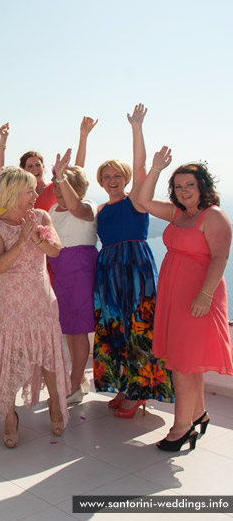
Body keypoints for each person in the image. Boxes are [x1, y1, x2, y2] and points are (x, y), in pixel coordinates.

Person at [137, 148, 233, 451]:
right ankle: (199, 414)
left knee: (183, 364)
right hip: (174, 297)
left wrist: (204, 295)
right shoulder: (179, 214)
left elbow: (220, 257)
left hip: (198, 298)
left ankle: (181, 428)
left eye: (190, 184)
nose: (184, 190)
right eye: (178, 186)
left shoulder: (213, 216)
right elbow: (142, 201)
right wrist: (155, 168)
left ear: (202, 185)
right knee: (187, 361)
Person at [92, 105, 174, 417]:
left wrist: (136, 128)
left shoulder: (136, 202)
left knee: (139, 327)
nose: (112, 180)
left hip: (135, 268)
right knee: (115, 329)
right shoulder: (101, 210)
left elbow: (141, 166)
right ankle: (124, 386)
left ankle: (140, 391)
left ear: (125, 179)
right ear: (100, 181)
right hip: (109, 271)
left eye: (117, 175)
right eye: (106, 176)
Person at [0, 167, 70, 448]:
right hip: (13, 303)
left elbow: (56, 251)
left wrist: (36, 238)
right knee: (10, 360)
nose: (36, 194)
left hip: (42, 299)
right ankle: (9, 415)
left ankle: (56, 402)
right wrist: (21, 242)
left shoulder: (42, 217)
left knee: (48, 355)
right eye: (30, 190)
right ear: (12, 192)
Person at [47, 150, 98, 404]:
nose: (57, 191)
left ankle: (74, 384)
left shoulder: (88, 207)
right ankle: (78, 378)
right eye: (55, 186)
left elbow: (76, 207)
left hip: (80, 271)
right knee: (69, 330)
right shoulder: (54, 209)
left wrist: (60, 174)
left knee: (78, 331)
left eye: (62, 186)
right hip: (59, 271)